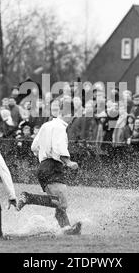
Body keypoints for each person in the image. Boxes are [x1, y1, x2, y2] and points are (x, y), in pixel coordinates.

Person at [15, 100, 82, 235]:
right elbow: (58, 147)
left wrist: (43, 157)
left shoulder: (47, 125)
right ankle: (28, 197)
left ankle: (66, 229)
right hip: (53, 166)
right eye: (73, 115)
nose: (73, 118)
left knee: (59, 203)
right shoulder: (60, 127)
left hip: (44, 166)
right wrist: (68, 162)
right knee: (61, 202)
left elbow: (34, 147)